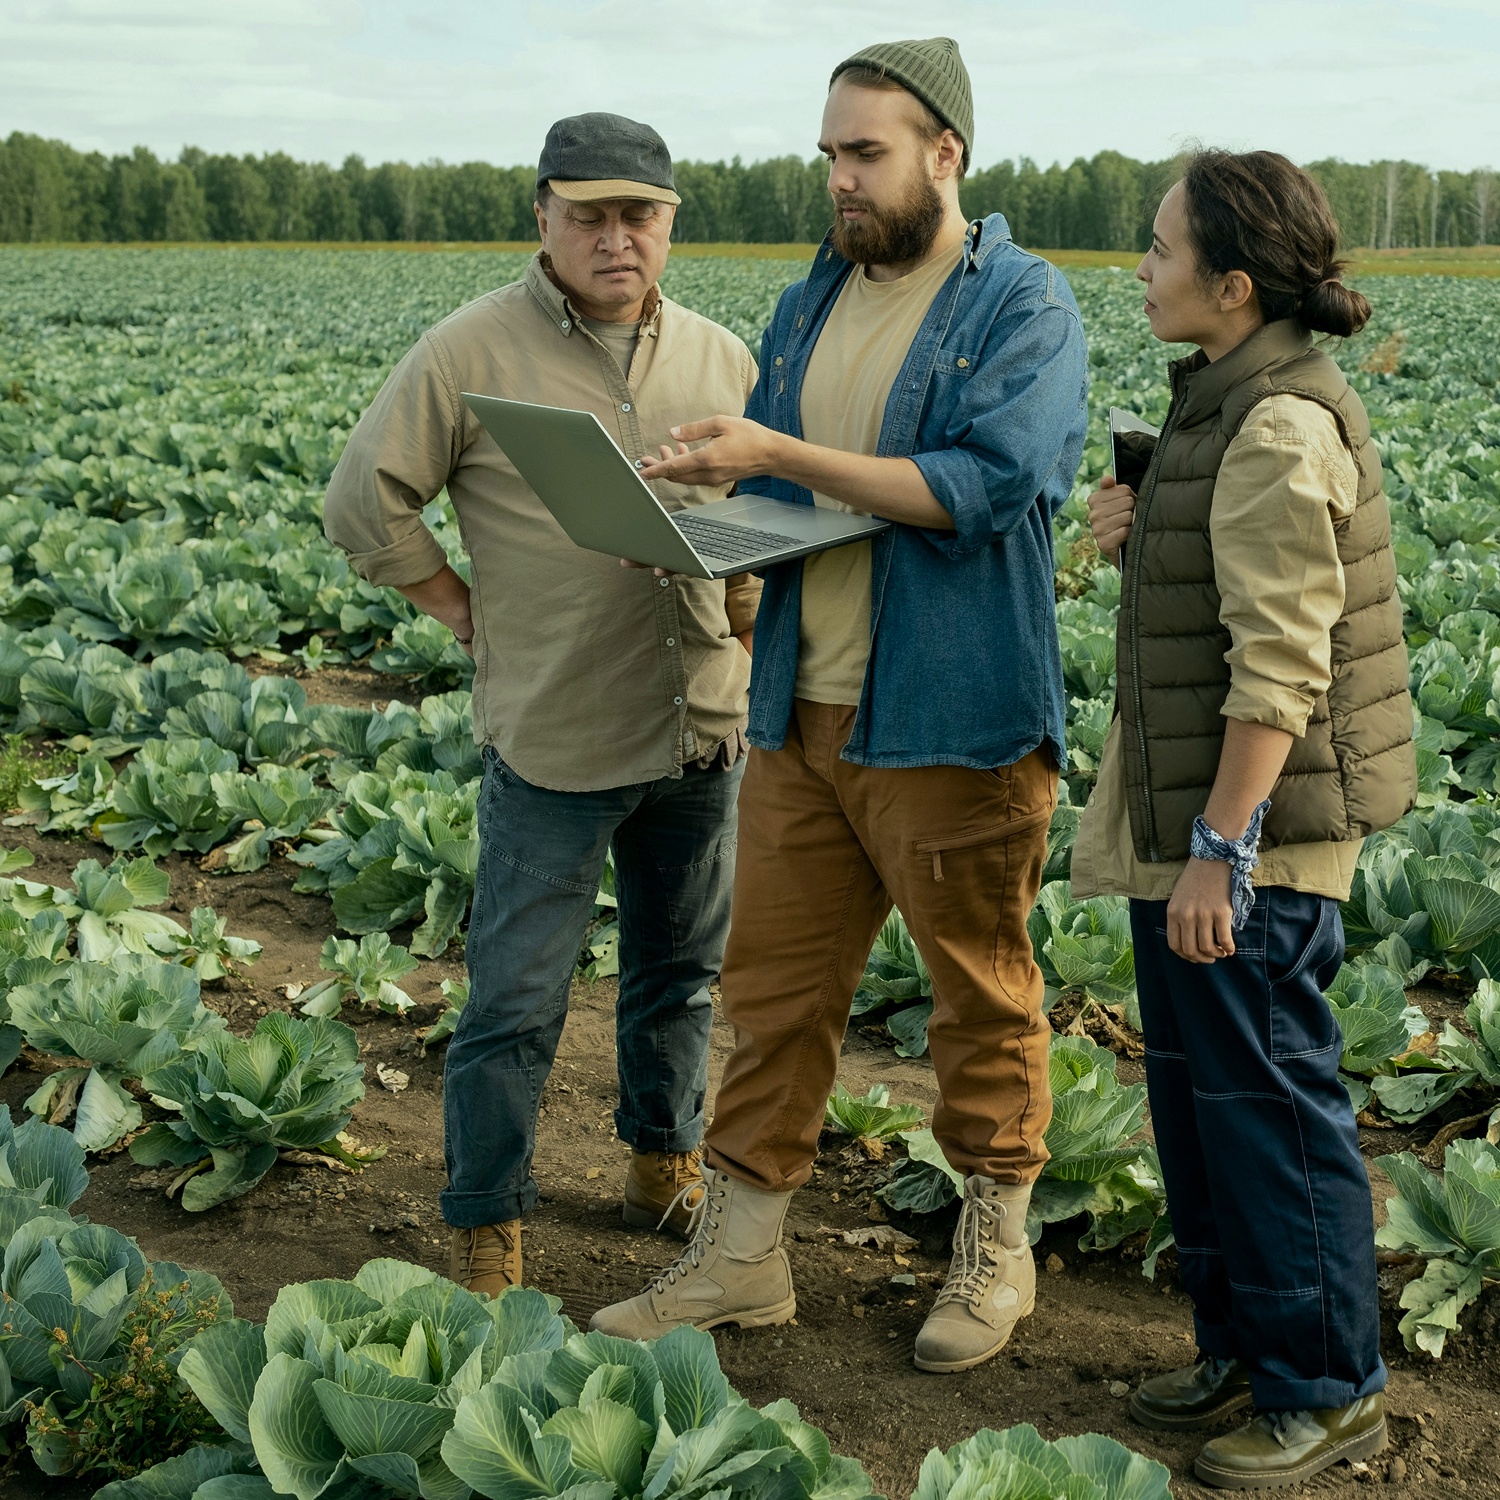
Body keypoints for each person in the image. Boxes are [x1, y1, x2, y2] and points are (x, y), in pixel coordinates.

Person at [591, 37, 1088, 1374]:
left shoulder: (1023, 306)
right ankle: (743, 1256)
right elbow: (809, 501)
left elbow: (985, 489)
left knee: (977, 996)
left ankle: (993, 1243)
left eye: (864, 153)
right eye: (829, 155)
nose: (840, 181)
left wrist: (773, 451)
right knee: (771, 995)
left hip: (953, 716)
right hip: (803, 710)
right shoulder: (815, 298)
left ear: (946, 154)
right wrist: (713, 514)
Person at [322, 113, 761, 1297]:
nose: (618, 238)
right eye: (591, 214)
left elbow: (760, 522)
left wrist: (752, 591)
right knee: (516, 997)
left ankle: (662, 1161)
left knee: (681, 971)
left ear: (672, 222)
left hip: (703, 726)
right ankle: (487, 1217)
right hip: (556, 735)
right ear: (545, 218)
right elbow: (365, 500)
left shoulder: (723, 358)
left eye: (642, 215)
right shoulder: (471, 351)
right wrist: (461, 609)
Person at [1073, 151, 1415, 1490]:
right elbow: (1211, 603)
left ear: (1231, 284)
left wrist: (1223, 850)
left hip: (1248, 844)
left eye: (1158, 251)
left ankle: (1327, 1387)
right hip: (1201, 831)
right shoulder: (1225, 405)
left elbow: (1283, 665)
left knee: (1269, 1110)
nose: (1140, 269)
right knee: (1203, 1107)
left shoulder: (1276, 425)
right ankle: (1243, 1349)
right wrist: (1140, 524)